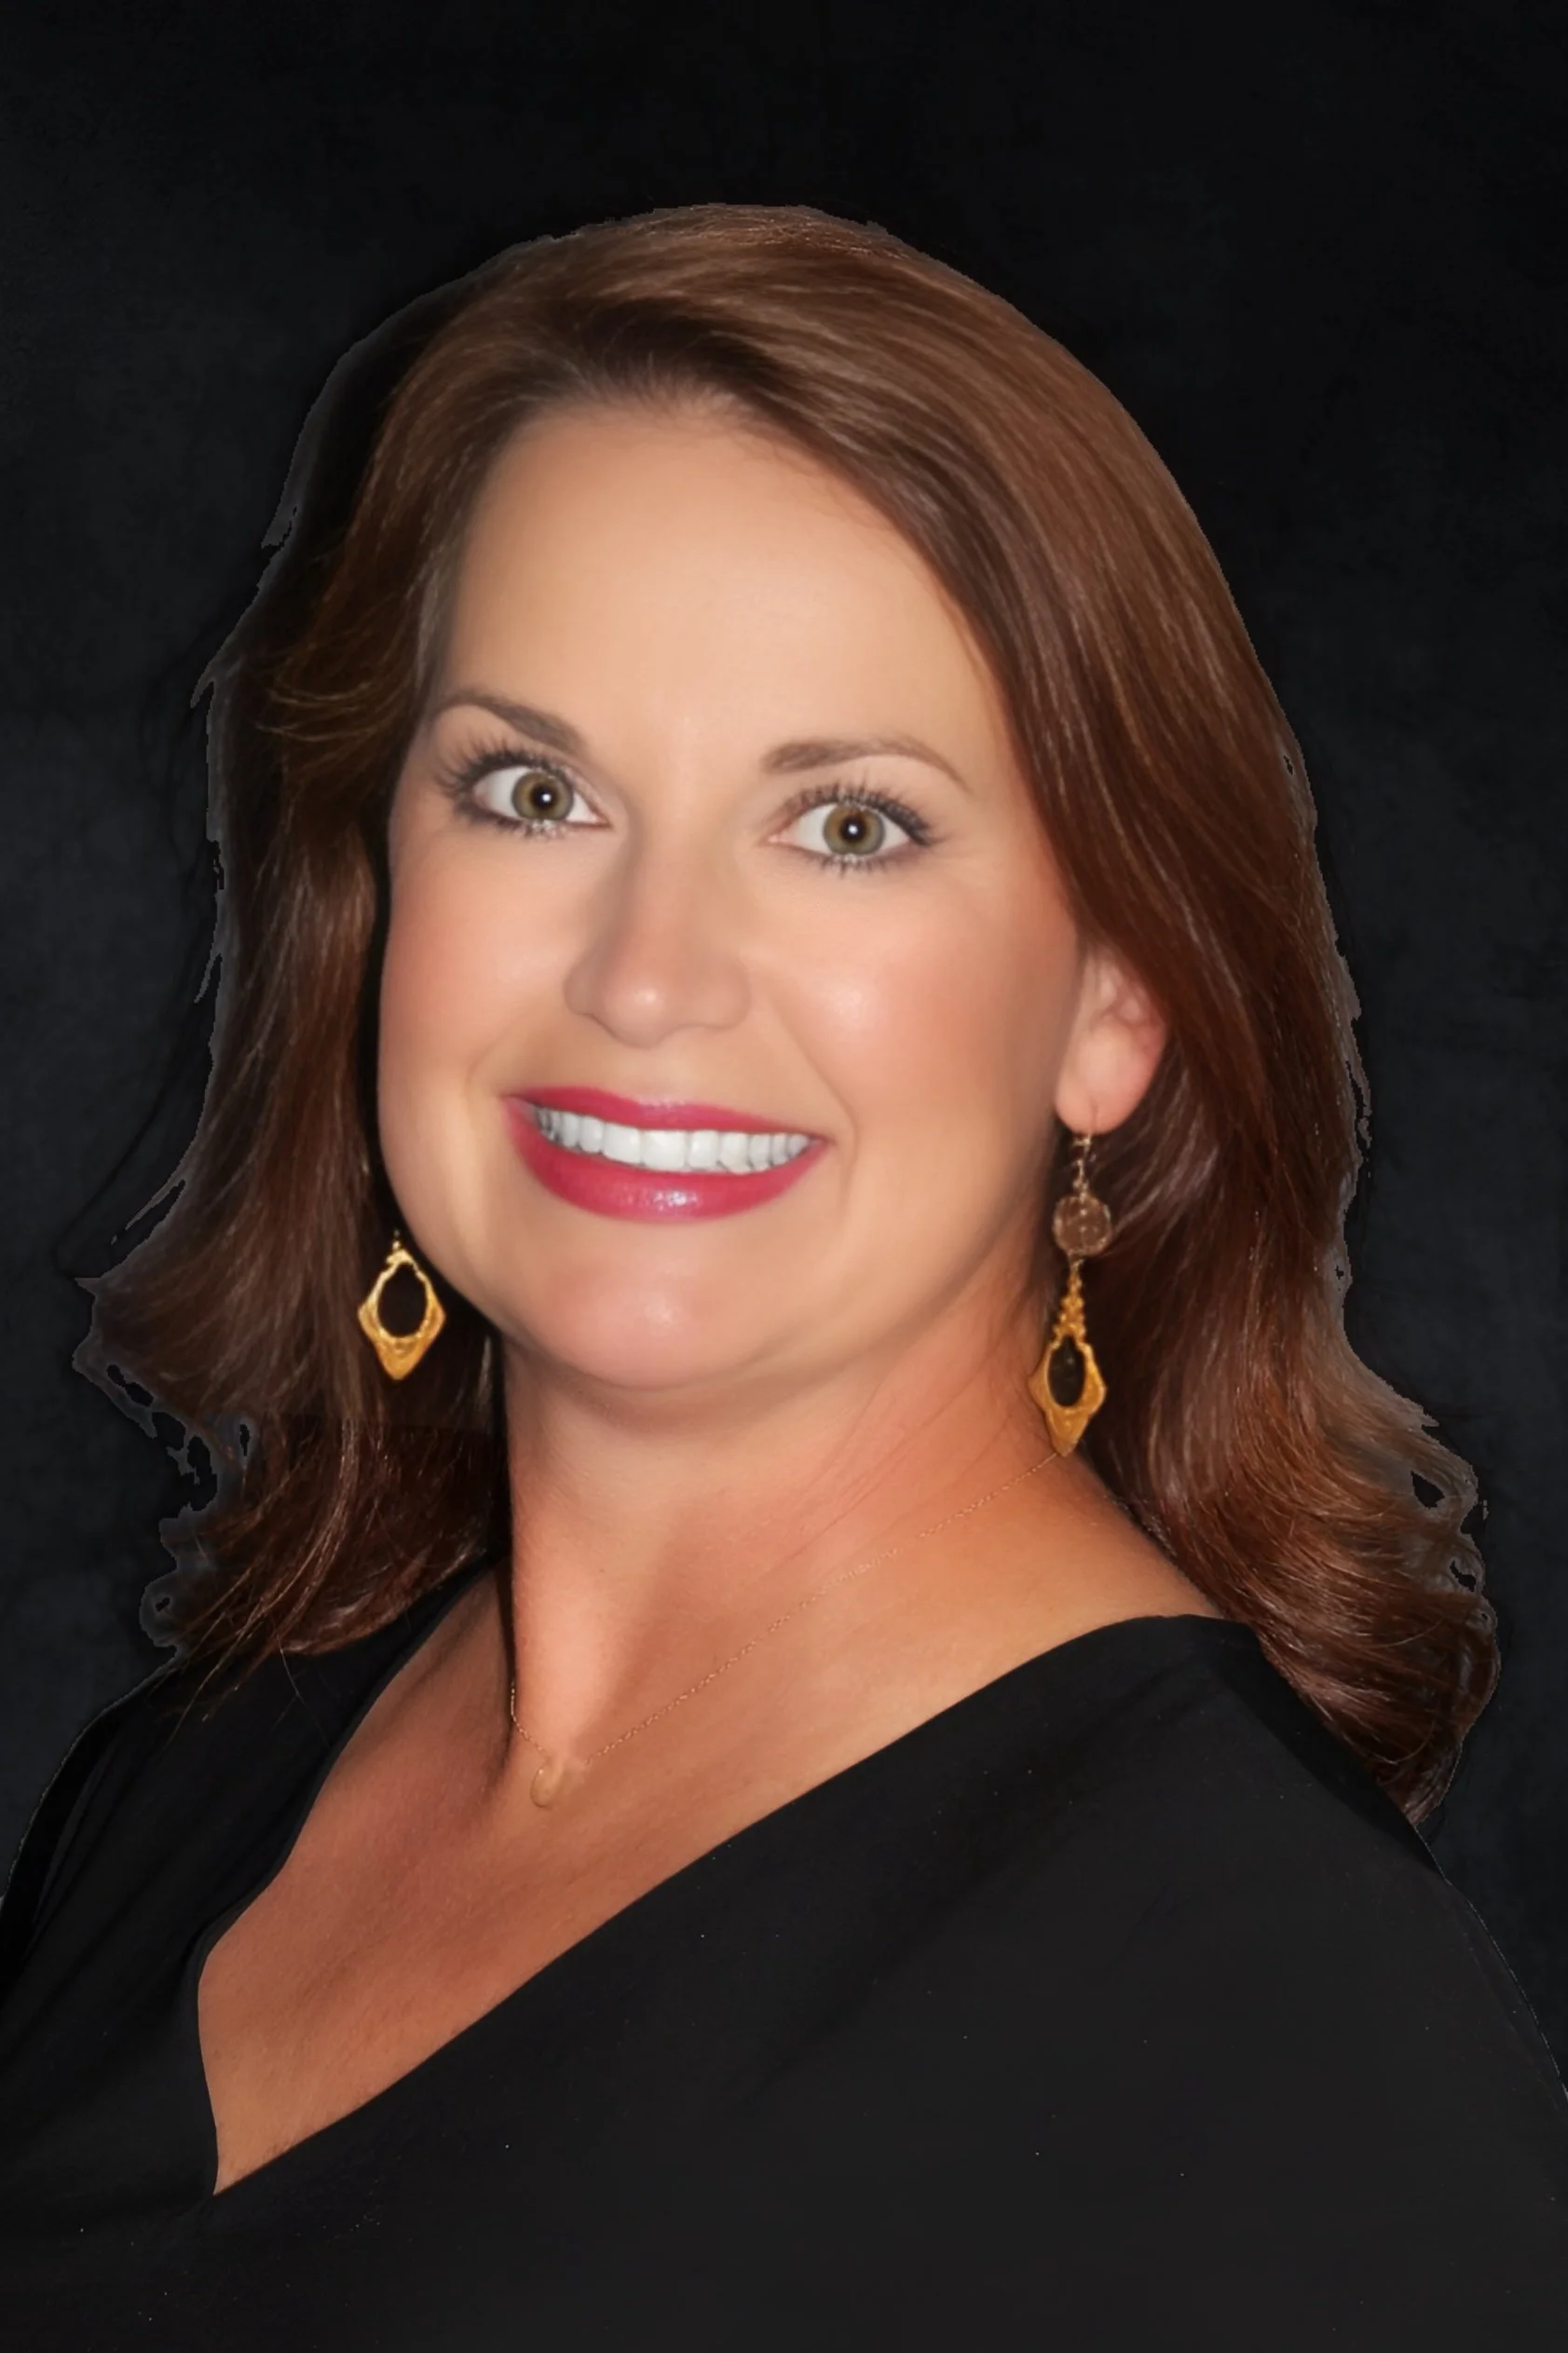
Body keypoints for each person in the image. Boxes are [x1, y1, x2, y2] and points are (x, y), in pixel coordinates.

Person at [0, 203, 1564, 2351]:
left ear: (1118, 992)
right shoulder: (193, 1783)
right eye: (532, 790)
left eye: (847, 826)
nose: (646, 978)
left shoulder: (1283, 2027)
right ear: (372, 888)